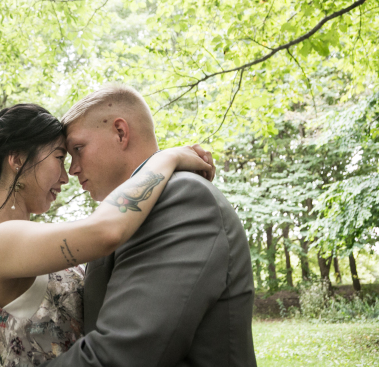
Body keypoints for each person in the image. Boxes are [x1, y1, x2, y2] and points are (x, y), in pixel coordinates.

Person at [0, 103, 214, 367]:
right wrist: (167, 158)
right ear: (17, 159)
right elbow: (106, 231)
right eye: (59, 157)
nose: (66, 175)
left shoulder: (12, 237)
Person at [43, 84, 257, 367]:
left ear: (121, 132)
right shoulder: (123, 217)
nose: (72, 169)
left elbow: (123, 353)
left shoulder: (182, 198)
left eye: (78, 149)